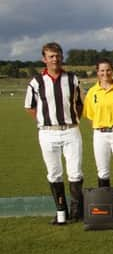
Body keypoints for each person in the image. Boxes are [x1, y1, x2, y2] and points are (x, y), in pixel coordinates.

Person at [24, 42, 84, 224]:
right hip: (48, 133)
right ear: (44, 59)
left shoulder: (72, 79)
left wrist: (72, 119)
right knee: (54, 173)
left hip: (71, 131)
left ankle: (76, 212)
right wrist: (44, 121)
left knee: (75, 172)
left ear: (62, 57)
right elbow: (30, 107)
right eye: (51, 56)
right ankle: (61, 212)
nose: (55, 59)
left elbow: (80, 103)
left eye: (57, 55)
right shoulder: (36, 82)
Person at [83, 59, 113, 215]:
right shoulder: (92, 92)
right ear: (97, 72)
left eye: (108, 70)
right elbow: (90, 115)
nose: (105, 73)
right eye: (102, 71)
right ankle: (107, 208)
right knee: (103, 171)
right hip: (100, 134)